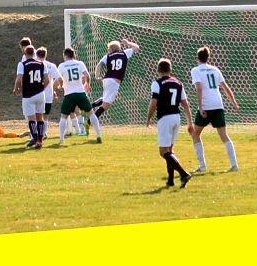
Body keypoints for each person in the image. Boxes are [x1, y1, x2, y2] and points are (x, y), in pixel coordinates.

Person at [189, 46, 240, 173]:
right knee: (224, 135)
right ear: (208, 58)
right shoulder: (215, 69)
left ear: (197, 58)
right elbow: (225, 87)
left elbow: (199, 88)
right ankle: (234, 165)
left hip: (207, 105)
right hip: (218, 104)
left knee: (195, 134)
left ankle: (202, 166)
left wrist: (201, 107)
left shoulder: (196, 70)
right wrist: (234, 102)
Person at [146, 58, 193, 188]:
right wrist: (190, 122)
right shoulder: (178, 83)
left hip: (165, 118)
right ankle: (171, 180)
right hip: (176, 118)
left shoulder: (157, 83)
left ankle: (183, 174)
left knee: (163, 152)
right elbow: (185, 104)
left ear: (158, 70)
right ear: (170, 70)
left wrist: (149, 117)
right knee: (169, 150)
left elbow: (154, 103)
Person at [54, 47, 101, 144]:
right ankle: (98, 135)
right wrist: (87, 84)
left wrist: (59, 86)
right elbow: (87, 75)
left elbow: (59, 79)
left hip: (69, 94)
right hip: (80, 93)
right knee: (91, 113)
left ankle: (61, 139)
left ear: (65, 55)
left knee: (63, 116)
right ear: (73, 55)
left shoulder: (62, 65)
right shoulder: (80, 63)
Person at [91, 39, 140, 122]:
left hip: (106, 80)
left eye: (109, 49)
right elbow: (136, 47)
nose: (108, 51)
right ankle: (89, 122)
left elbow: (99, 65)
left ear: (112, 49)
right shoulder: (124, 53)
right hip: (114, 82)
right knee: (106, 105)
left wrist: (97, 76)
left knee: (105, 99)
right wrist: (128, 43)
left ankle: (89, 106)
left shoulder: (107, 56)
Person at [14, 46, 50, 149]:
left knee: (31, 119)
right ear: (34, 54)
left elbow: (19, 79)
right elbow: (47, 80)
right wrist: (41, 88)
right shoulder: (42, 64)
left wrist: (16, 88)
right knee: (40, 118)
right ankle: (40, 140)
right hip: (40, 94)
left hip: (28, 95)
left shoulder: (22, 64)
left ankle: (34, 138)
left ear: (25, 54)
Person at [36, 47, 60, 134]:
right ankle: (44, 133)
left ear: (36, 55)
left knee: (37, 115)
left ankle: (37, 133)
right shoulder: (51, 66)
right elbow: (59, 78)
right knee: (45, 116)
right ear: (45, 55)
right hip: (48, 94)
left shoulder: (34, 65)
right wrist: (54, 89)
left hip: (36, 94)